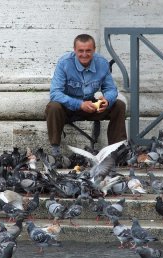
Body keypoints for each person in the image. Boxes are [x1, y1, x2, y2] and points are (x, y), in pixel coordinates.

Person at [45, 33, 127, 167]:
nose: (84, 54)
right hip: (68, 108)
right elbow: (55, 93)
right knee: (53, 106)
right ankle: (55, 152)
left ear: (94, 50)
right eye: (80, 51)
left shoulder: (102, 63)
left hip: (91, 106)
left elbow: (111, 89)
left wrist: (107, 100)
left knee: (118, 105)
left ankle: (117, 150)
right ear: (74, 50)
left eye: (88, 50)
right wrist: (79, 104)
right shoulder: (64, 63)